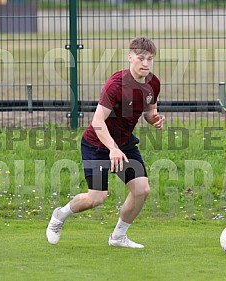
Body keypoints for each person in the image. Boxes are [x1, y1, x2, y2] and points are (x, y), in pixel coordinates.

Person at [46, 37, 165, 248]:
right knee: (96, 198)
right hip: (97, 145)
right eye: (140, 58)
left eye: (149, 59)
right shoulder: (116, 85)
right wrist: (112, 149)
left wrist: (154, 119)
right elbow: (97, 121)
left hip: (124, 144)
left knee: (141, 190)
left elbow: (149, 110)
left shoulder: (153, 83)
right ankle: (59, 216)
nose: (145, 63)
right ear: (130, 57)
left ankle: (118, 237)